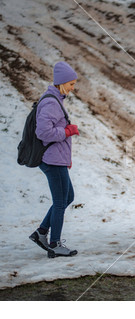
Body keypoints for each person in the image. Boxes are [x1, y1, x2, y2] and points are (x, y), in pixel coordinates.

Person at [29, 61, 79, 258]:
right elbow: (43, 132)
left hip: (57, 158)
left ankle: (41, 233)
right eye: (72, 84)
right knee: (60, 202)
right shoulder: (51, 102)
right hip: (52, 160)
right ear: (62, 82)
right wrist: (67, 131)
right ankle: (54, 244)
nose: (73, 88)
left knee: (68, 197)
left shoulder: (56, 99)